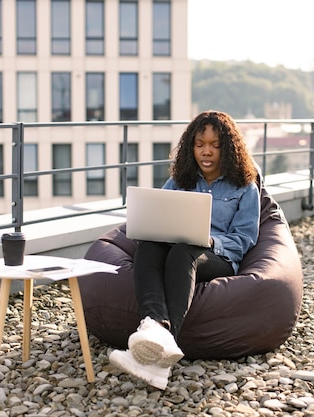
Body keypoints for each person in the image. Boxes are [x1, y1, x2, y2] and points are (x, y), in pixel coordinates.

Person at [109, 110, 261, 389]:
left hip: (218, 257)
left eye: (215, 145)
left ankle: (159, 346)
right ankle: (154, 332)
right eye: (200, 144)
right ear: (191, 147)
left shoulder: (244, 186)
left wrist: (212, 241)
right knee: (150, 247)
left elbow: (245, 239)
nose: (207, 152)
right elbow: (158, 213)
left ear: (228, 148)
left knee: (183, 252)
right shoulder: (180, 181)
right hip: (176, 248)